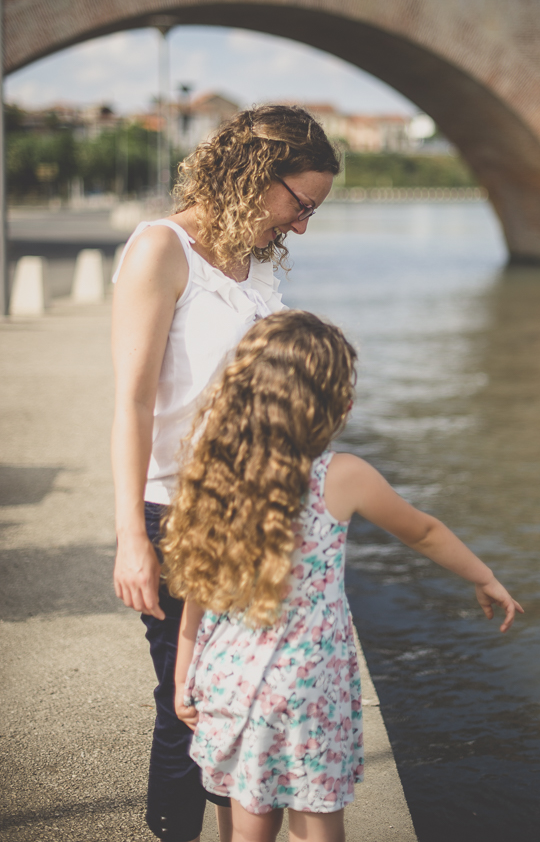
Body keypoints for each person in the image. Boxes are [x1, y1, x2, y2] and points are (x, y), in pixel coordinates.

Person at [163, 310, 524, 842]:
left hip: (229, 679)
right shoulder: (343, 476)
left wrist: (183, 677)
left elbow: (199, 589)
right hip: (306, 686)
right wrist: (484, 574)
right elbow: (422, 532)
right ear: (336, 407)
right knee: (317, 826)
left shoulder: (216, 472)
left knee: (247, 826)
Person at [111, 106, 340, 842]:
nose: (301, 226)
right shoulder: (161, 250)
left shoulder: (253, 257)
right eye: (299, 204)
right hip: (179, 510)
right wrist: (131, 538)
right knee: (188, 705)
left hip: (262, 514)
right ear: (254, 173)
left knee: (244, 702)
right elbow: (133, 403)